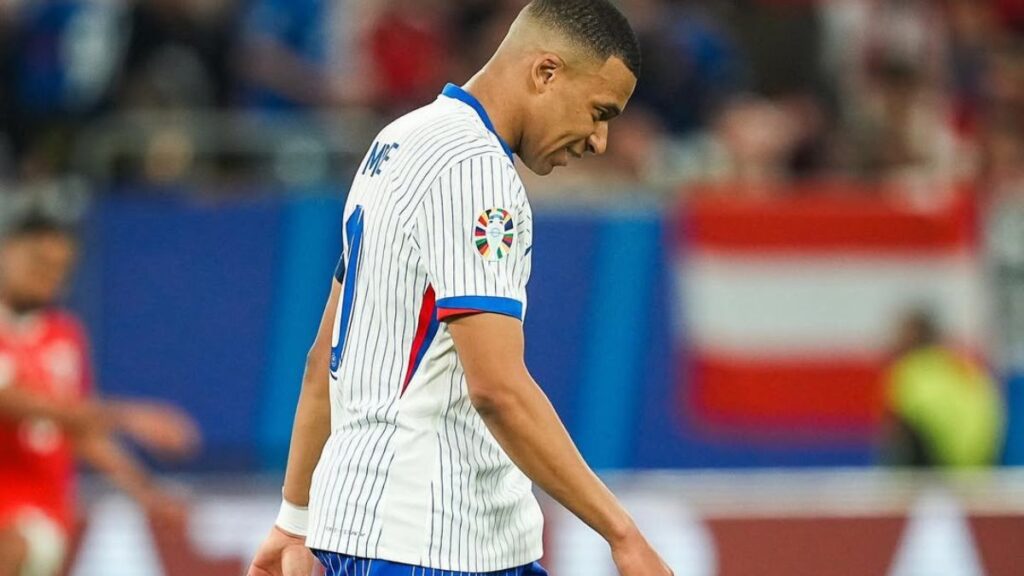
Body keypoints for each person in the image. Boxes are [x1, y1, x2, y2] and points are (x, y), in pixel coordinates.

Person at [247, 1, 673, 575]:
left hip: (405, 534)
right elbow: (497, 389)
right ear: (546, 73)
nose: (599, 139)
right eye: (599, 111)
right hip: (432, 544)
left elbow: (323, 359)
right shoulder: (475, 172)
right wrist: (622, 535)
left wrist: (293, 520)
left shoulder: (397, 141)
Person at [0, 210, 200, 576]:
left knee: (20, 545)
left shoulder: (64, 336)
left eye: (61, 268)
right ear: (6, 252)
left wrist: (146, 491)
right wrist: (129, 416)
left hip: (39, 513)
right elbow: (14, 402)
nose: (50, 277)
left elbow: (80, 430)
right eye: (39, 262)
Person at [880, 309, 1005, 468]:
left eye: (902, 333)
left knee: (900, 429)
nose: (896, 339)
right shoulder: (958, 363)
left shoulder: (908, 370)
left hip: (940, 460)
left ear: (915, 337)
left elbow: (899, 424)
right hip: (980, 457)